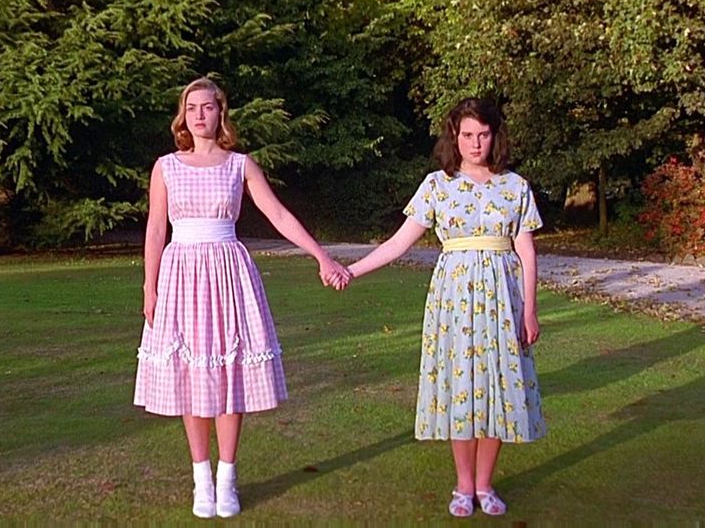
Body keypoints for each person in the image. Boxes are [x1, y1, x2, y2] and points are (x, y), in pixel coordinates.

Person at [133, 77, 350, 518]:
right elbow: (156, 228)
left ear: (220, 112)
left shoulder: (240, 165)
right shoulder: (166, 167)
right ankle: (201, 481)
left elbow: (278, 214)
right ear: (183, 115)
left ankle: (227, 478)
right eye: (191, 107)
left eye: (207, 107)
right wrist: (149, 286)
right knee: (192, 377)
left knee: (228, 376)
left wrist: (322, 257)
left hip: (229, 275)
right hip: (181, 275)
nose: (199, 114)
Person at [346, 98, 546, 517]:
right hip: (454, 301)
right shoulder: (437, 185)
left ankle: (486, 485)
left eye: (484, 134)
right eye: (467, 135)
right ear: (455, 137)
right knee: (463, 389)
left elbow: (526, 252)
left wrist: (529, 310)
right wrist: (352, 271)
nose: (476, 143)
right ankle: (463, 486)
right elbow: (399, 243)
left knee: (499, 388)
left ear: (495, 136)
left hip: (502, 300)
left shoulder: (515, 186)